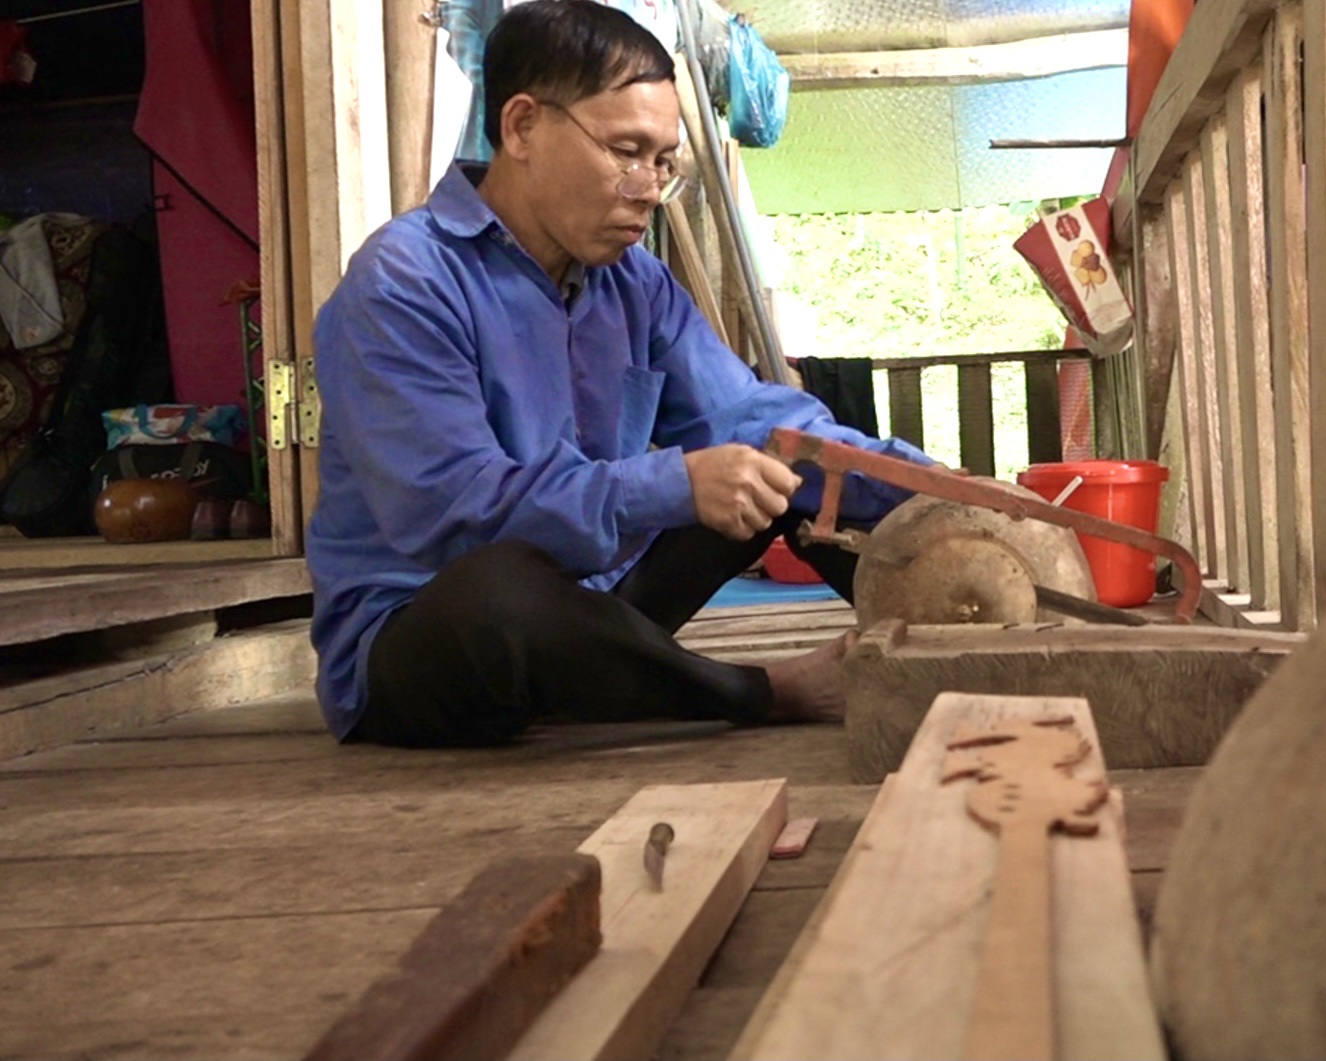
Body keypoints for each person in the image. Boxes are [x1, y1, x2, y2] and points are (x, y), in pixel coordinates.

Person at [306, 0, 930, 748]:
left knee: (786, 464)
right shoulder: (403, 282)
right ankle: (761, 691)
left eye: (663, 162)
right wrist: (673, 483)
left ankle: (939, 647)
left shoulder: (636, 283)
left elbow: (761, 422)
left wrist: (936, 489)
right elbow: (455, 516)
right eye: (626, 151)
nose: (648, 187)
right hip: (434, 639)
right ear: (521, 127)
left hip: (599, 609)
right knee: (498, 593)